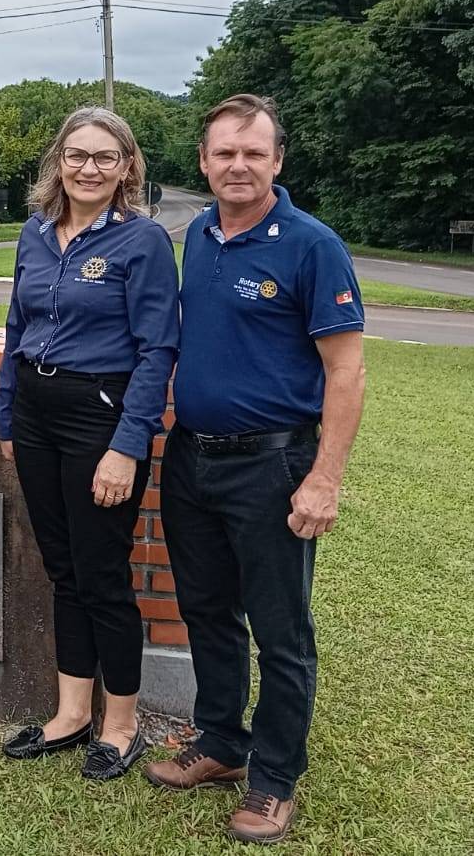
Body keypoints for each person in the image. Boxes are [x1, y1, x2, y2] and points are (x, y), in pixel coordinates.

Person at [144, 95, 365, 845]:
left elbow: (346, 372)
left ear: (278, 161)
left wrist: (324, 478)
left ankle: (273, 780)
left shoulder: (312, 246)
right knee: (207, 613)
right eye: (224, 153)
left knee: (281, 631)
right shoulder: (200, 233)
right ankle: (220, 744)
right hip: (192, 458)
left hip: (274, 464)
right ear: (203, 162)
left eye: (254, 153)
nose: (238, 166)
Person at [0, 106, 178, 780]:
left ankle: (121, 724)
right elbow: (17, 327)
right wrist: (8, 416)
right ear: (58, 161)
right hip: (37, 414)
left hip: (100, 417)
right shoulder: (35, 235)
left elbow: (158, 350)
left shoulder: (143, 242)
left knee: (102, 575)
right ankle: (72, 715)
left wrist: (128, 445)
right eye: (78, 155)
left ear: (127, 167)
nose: (89, 169)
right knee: (64, 569)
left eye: (105, 157)